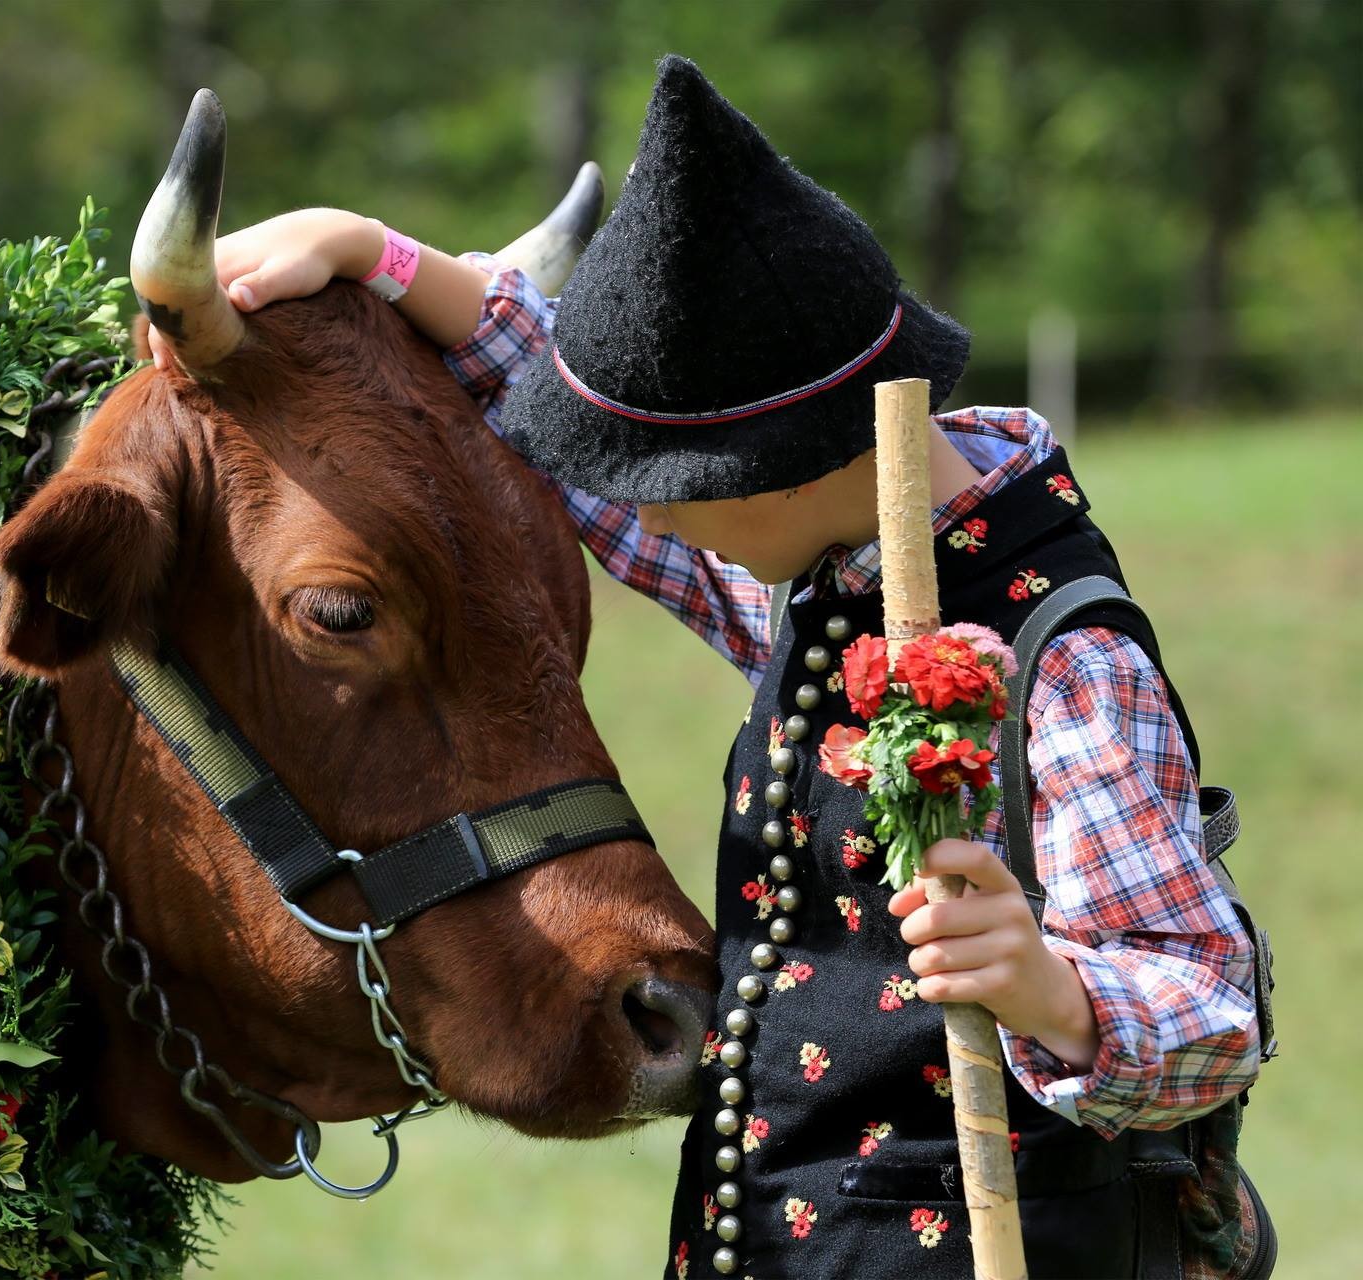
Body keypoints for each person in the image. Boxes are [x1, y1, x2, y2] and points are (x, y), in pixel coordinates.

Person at [150, 54, 1266, 1280]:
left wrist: (1059, 995)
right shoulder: (828, 573)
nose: (643, 520)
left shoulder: (1067, 667)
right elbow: (602, 481)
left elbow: (1208, 1004)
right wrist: (387, 259)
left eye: (672, 489)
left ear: (778, 462)